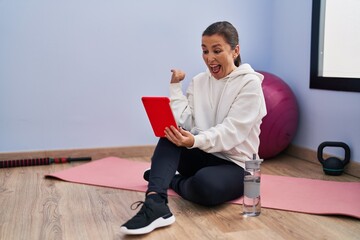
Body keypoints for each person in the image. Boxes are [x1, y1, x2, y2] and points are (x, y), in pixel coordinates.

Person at [120, 21, 267, 235]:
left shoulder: (250, 85)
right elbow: (187, 122)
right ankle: (155, 203)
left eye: (217, 51)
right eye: (205, 51)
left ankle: (171, 179)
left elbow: (232, 131)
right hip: (203, 154)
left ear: (235, 51)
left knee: (205, 187)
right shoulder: (199, 81)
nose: (209, 58)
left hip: (236, 166)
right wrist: (175, 87)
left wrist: (194, 141)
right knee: (171, 134)